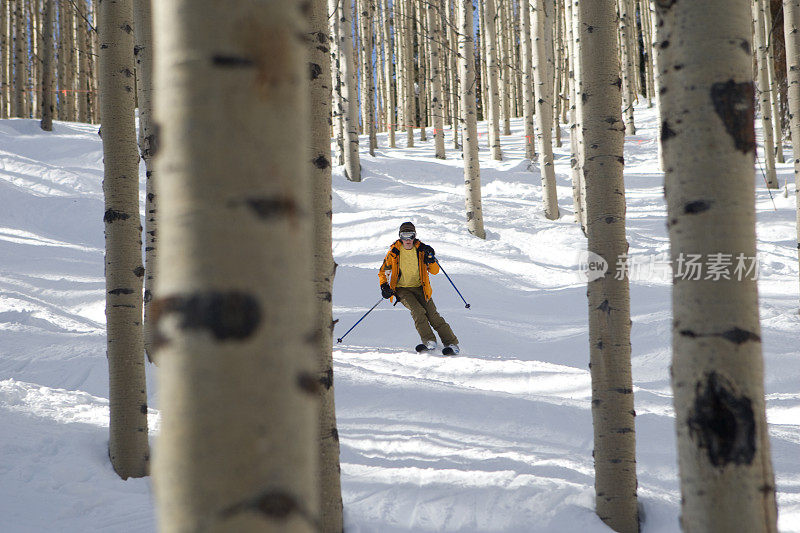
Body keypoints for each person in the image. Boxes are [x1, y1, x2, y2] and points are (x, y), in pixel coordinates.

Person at [378, 222, 460, 355]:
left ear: (415, 236)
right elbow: (383, 271)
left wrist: (431, 259)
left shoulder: (422, 250)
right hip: (402, 289)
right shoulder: (394, 252)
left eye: (411, 235)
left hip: (421, 288)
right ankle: (429, 341)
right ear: (400, 237)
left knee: (433, 316)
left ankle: (452, 343)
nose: (408, 240)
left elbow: (434, 271)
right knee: (417, 311)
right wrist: (384, 286)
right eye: (404, 236)